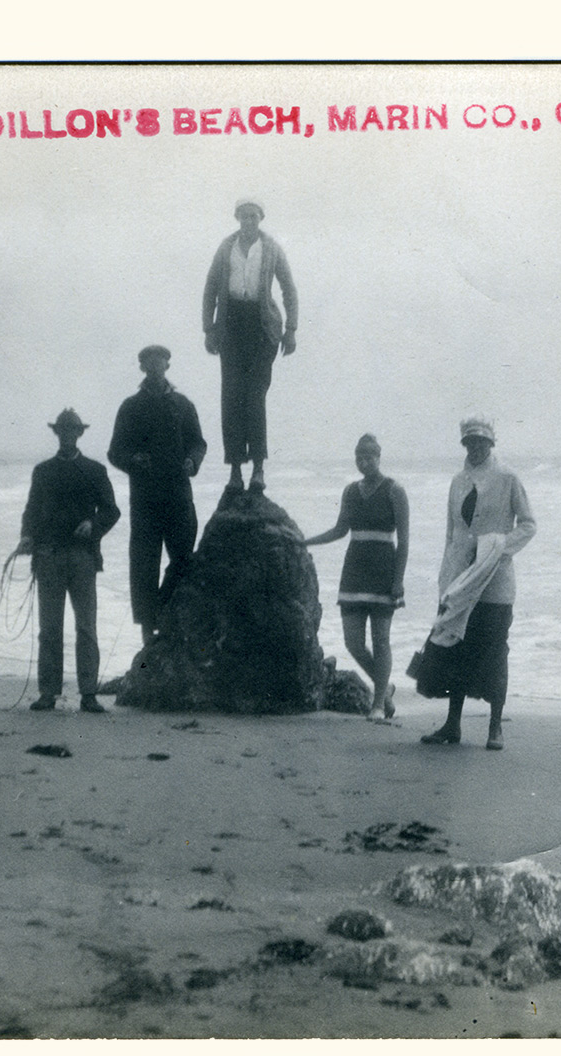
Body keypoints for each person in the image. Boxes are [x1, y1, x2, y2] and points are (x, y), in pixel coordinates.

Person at [417, 417, 536, 750]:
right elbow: (451, 534)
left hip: (495, 584)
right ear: (464, 444)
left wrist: (498, 548)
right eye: (470, 441)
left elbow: (528, 525)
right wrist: (446, 582)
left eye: (481, 441)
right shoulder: (457, 481)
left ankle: (495, 727)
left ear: (492, 442)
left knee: (495, 652)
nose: (475, 446)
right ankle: (452, 725)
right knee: (456, 650)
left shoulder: (508, 478)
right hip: (460, 580)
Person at [13, 408, 122, 713]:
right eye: (63, 430)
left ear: (80, 433)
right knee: (49, 628)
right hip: (47, 556)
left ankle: (89, 694)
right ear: (57, 433)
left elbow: (112, 512)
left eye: (72, 430)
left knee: (86, 626)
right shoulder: (42, 471)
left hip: (83, 557)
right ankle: (48, 693)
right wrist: (26, 536)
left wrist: (93, 525)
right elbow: (31, 512)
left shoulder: (95, 470)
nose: (67, 435)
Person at [302, 434, 410, 720]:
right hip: (354, 571)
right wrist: (305, 542)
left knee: (381, 640)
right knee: (353, 642)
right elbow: (340, 530)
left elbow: (405, 542)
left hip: (383, 570)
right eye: (359, 458)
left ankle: (377, 705)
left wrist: (398, 580)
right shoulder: (350, 491)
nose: (364, 462)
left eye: (369, 457)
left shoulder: (394, 490)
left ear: (379, 456)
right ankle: (384, 691)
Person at [107, 345, 207, 647]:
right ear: (142, 368)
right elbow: (115, 452)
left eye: (160, 359)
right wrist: (132, 460)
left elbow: (198, 443)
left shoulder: (182, 404)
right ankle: (147, 627)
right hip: (145, 498)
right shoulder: (130, 406)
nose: (155, 364)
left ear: (167, 364)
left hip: (178, 493)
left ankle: (165, 611)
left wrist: (193, 460)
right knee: (144, 563)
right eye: (148, 361)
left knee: (184, 557)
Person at [200, 199, 297, 493]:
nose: (249, 222)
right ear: (237, 219)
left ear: (261, 218)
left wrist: (290, 329)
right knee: (231, 399)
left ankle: (258, 469)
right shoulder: (225, 247)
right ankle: (235, 472)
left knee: (254, 399)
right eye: (244, 217)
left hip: (262, 327)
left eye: (254, 217)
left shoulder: (272, 248)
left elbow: (289, 289)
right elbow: (210, 289)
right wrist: (209, 328)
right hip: (231, 327)